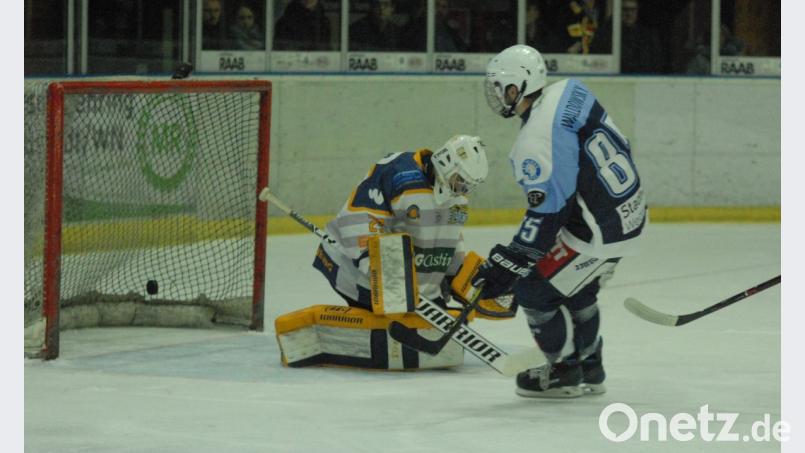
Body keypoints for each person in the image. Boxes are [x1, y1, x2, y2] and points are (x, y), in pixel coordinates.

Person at [478, 45, 647, 398]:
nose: (495, 96)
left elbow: (548, 210)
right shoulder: (571, 90)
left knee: (533, 288)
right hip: (626, 209)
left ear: (517, 88)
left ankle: (565, 370)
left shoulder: (535, 139)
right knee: (574, 284)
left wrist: (514, 260)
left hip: (599, 228)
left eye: (500, 87)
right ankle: (591, 366)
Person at [313, 135, 488, 309]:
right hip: (358, 273)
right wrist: (378, 268)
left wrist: (452, 275)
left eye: (468, 184)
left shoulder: (456, 197)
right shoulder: (397, 172)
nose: (463, 188)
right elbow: (358, 217)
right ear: (447, 164)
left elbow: (448, 236)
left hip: (410, 288)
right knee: (389, 329)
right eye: (461, 179)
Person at [590, 0, 662, 73]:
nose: (629, 13)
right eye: (625, 10)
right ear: (618, 11)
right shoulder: (605, 35)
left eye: (633, 10)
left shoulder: (648, 37)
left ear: (637, 11)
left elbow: (656, 65)